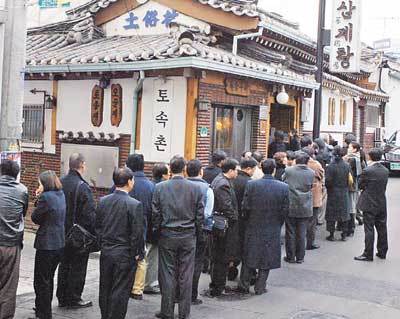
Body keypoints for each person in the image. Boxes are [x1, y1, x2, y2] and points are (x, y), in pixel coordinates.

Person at [152, 156, 204, 319]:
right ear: (184, 169)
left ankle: (167, 311)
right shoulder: (195, 188)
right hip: (188, 235)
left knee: (167, 273)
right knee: (186, 275)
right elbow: (200, 215)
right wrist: (197, 233)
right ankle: (184, 313)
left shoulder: (160, 187)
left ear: (170, 169)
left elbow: (156, 213)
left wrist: (157, 230)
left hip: (167, 234)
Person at [96, 168, 144, 319]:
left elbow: (98, 227)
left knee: (105, 287)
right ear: (129, 182)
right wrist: (138, 253)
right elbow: (137, 233)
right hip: (125, 253)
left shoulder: (103, 201)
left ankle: (105, 315)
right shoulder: (134, 204)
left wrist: (102, 244)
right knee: (121, 289)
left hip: (107, 251)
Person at [237, 159, 289, 295]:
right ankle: (260, 286)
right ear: (274, 170)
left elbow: (245, 206)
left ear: (261, 167)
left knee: (249, 254)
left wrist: (247, 219)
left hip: (253, 224)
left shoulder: (252, 184)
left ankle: (244, 284)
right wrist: (278, 223)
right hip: (272, 225)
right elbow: (285, 209)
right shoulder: (283, 187)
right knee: (267, 256)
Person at [57, 153, 96, 308]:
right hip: (78, 235)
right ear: (82, 165)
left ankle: (61, 297)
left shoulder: (60, 182)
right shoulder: (83, 187)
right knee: (78, 267)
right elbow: (89, 215)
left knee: (64, 265)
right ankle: (74, 298)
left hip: (61, 232)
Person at [31, 171, 65, 319]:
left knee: (41, 281)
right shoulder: (61, 195)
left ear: (45, 184)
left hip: (46, 244)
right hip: (59, 243)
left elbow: (35, 218)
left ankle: (43, 313)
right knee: (48, 278)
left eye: (40, 183)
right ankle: (43, 310)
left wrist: (38, 197)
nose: (39, 186)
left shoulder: (46, 197)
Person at [121, 154, 155, 300]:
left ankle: (123, 285)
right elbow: (154, 209)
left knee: (124, 257)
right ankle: (137, 289)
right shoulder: (150, 186)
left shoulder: (121, 183)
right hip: (143, 227)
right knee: (141, 257)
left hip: (122, 228)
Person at [0, 160, 29, 319]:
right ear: (17, 174)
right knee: (9, 286)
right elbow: (22, 214)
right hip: (12, 244)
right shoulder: (22, 190)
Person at [208, 158, 239, 297]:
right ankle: (218, 286)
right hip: (223, 226)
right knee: (221, 257)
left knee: (219, 256)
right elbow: (226, 206)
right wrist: (234, 217)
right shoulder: (223, 184)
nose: (237, 173)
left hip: (220, 224)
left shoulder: (220, 180)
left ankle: (217, 284)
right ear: (231, 170)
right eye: (236, 170)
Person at [186, 159, 214, 305]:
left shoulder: (179, 185)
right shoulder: (207, 189)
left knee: (181, 264)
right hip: (200, 230)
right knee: (196, 263)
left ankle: (178, 294)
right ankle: (192, 295)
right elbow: (208, 213)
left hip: (182, 230)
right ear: (201, 171)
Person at [355, 148, 389, 262]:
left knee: (369, 228)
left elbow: (360, 185)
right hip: (381, 202)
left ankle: (368, 253)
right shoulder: (385, 170)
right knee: (382, 227)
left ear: (370, 157)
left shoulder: (367, 170)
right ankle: (382, 251)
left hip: (369, 202)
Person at [283, 152, 314, 264]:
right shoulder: (311, 173)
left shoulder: (289, 171)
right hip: (305, 205)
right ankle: (300, 257)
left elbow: (283, 181)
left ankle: (290, 256)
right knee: (302, 232)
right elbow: (311, 186)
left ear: (296, 160)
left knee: (290, 231)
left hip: (291, 203)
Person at [231, 157, 257, 280]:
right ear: (248, 169)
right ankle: (248, 275)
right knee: (245, 247)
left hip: (232, 218)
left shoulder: (232, 179)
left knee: (233, 246)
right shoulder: (250, 182)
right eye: (254, 169)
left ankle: (231, 268)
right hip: (245, 220)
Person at [325, 146, 351, 242]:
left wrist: (328, 188)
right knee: (344, 213)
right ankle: (344, 234)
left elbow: (328, 181)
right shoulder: (347, 165)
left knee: (331, 213)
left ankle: (331, 234)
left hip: (333, 192)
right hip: (344, 191)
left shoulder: (331, 166)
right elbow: (349, 179)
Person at [302, 148, 324, 250]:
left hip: (301, 195)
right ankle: (310, 243)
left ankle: (300, 242)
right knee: (312, 221)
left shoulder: (296, 163)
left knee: (301, 220)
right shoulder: (316, 165)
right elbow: (321, 176)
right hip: (314, 195)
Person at [344, 142, 365, 236]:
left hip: (351, 186)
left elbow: (353, 174)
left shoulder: (351, 159)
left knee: (351, 206)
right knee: (352, 205)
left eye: (349, 147)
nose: (348, 149)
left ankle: (350, 227)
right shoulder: (357, 157)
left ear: (355, 149)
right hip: (354, 185)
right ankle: (351, 226)